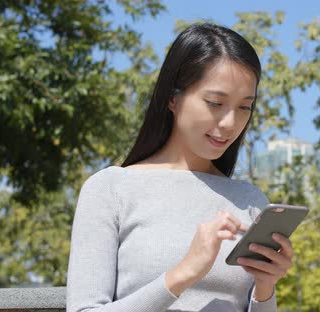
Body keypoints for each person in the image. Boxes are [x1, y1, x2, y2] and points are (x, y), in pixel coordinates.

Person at [66, 23, 293, 312]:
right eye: (215, 102)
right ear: (173, 99)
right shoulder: (110, 189)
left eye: (244, 107)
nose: (229, 123)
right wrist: (182, 274)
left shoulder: (251, 202)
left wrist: (265, 289)